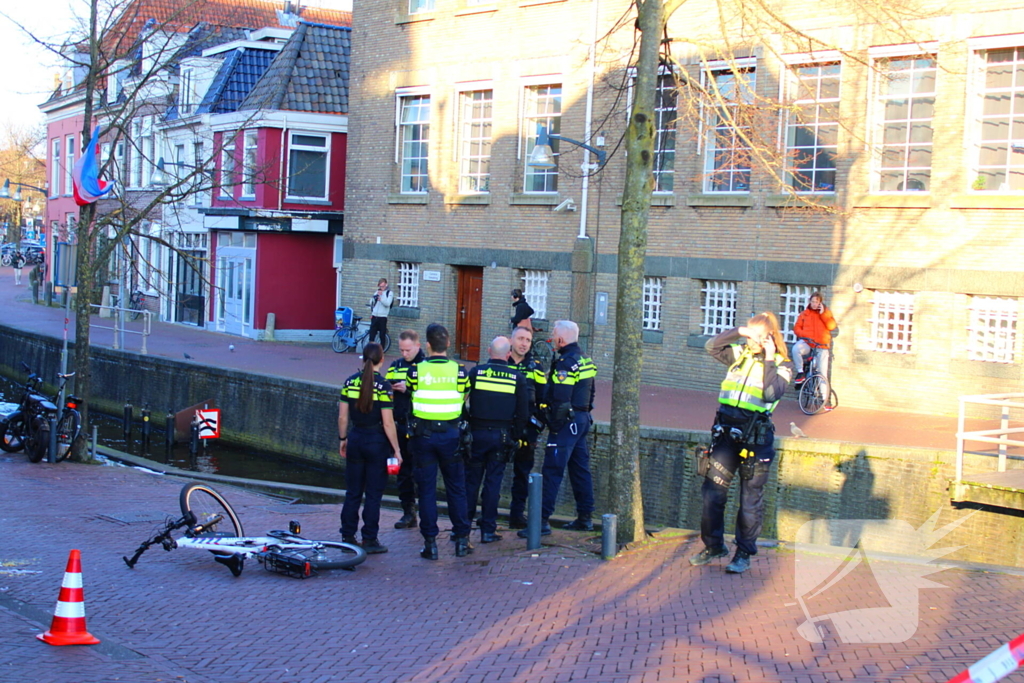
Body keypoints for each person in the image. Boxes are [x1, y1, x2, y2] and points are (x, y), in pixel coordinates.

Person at [691, 312, 794, 574]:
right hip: (726, 436)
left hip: (755, 441)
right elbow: (711, 346)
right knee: (711, 495)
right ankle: (714, 546)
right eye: (750, 335)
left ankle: (744, 553)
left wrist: (769, 358)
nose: (753, 341)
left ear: (770, 337)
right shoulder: (740, 354)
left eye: (758, 336)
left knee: (750, 502)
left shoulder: (783, 365)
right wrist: (739, 331)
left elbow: (771, 393)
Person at [518, 320, 597, 537]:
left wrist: (551, 423)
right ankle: (585, 518)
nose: (551, 339)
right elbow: (591, 393)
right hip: (581, 420)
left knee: (552, 470)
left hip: (566, 423)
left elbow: (560, 400)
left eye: (553, 336)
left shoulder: (565, 363)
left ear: (561, 339)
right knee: (580, 469)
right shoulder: (584, 359)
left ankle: (541, 521)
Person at [407, 323, 472, 559]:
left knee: (426, 491)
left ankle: (430, 544)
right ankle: (462, 541)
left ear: (427, 345)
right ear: (448, 344)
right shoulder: (461, 371)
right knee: (457, 489)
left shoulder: (415, 371)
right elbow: (464, 395)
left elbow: (412, 392)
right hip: (451, 436)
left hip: (424, 437)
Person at [338, 342, 402, 555]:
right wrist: (397, 449)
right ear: (381, 360)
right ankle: (369, 538)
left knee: (353, 491)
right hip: (376, 442)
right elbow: (388, 423)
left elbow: (342, 416)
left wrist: (343, 438)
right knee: (373, 494)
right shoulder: (383, 386)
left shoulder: (350, 382)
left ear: (363, 359)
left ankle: (347, 535)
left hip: (356, 438)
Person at [465, 336, 529, 543]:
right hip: (501, 435)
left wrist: (468, 423)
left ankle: (463, 528)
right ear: (509, 354)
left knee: (471, 482)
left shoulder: (476, 373)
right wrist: (515, 436)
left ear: (489, 351)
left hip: (476, 433)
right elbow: (522, 413)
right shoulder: (517, 377)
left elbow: (461, 402)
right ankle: (488, 530)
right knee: (493, 483)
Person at [506, 325, 547, 529]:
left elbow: (543, 399)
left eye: (528, 340)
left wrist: (536, 429)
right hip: (502, 427)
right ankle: (487, 515)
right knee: (493, 471)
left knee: (522, 474)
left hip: (526, 430)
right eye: (520, 339)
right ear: (511, 341)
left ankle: (516, 514)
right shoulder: (500, 363)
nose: (523, 343)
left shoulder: (536, 367)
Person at [386, 329, 425, 529]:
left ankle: (425, 513)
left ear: (417, 346)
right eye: (401, 350)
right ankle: (408, 512)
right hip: (400, 425)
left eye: (408, 350)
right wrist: (390, 388)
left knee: (421, 471)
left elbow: (430, 394)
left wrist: (408, 389)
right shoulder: (396, 365)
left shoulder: (426, 366)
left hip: (419, 426)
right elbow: (386, 384)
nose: (404, 354)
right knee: (402, 471)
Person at [792, 292, 837, 383]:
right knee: (796, 349)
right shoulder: (805, 313)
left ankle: (824, 396)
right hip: (808, 343)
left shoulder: (826, 313)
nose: (814, 304)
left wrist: (822, 314)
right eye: (812, 302)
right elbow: (796, 328)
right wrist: (804, 334)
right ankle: (801, 371)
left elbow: (832, 326)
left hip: (821, 345)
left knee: (822, 373)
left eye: (816, 302)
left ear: (820, 303)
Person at [368, 278, 394, 346]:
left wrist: (381, 298)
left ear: (386, 285)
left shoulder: (389, 293)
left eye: (383, 286)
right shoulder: (376, 292)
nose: (381, 288)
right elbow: (371, 303)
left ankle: (381, 352)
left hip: (382, 317)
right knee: (372, 335)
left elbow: (388, 303)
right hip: (374, 316)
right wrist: (374, 298)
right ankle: (370, 351)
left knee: (382, 335)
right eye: (380, 286)